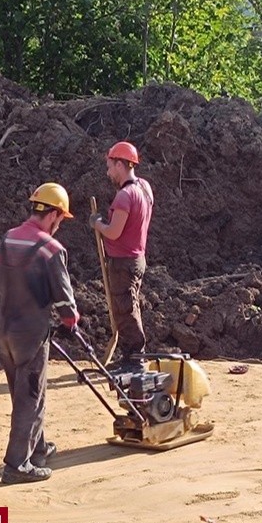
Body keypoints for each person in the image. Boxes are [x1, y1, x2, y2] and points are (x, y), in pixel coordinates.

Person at [0, 183, 80, 485]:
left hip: (4, 329)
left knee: (20, 394)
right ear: (54, 214)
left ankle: (38, 447)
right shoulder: (51, 249)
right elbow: (65, 302)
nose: (59, 226)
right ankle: (17, 464)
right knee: (33, 397)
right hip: (31, 334)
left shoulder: (6, 240)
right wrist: (70, 322)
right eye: (60, 220)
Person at [89, 141, 154, 370]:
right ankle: (129, 356)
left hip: (124, 262)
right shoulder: (145, 188)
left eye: (110, 167)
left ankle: (136, 358)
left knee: (125, 310)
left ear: (120, 164)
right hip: (137, 258)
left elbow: (114, 232)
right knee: (126, 308)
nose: (108, 173)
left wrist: (98, 224)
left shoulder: (125, 196)